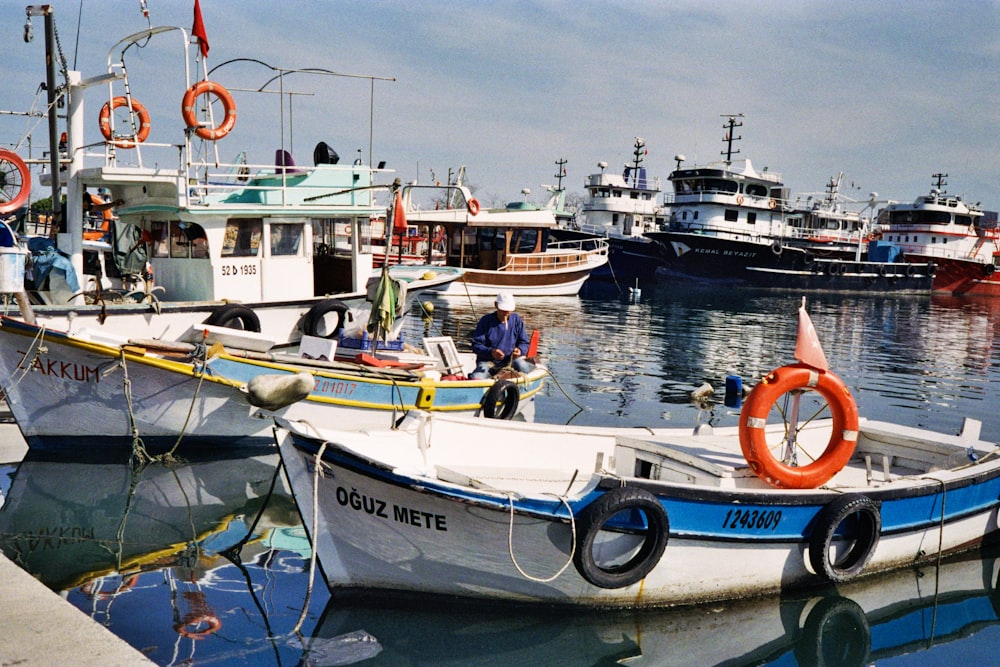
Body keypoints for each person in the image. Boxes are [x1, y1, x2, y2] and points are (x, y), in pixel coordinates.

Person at [470, 290, 534, 379]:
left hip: (509, 360)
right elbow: (476, 345)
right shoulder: (485, 321)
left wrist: (519, 350)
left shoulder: (516, 320)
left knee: (522, 366)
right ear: (496, 305)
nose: (506, 313)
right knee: (478, 377)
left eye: (509, 310)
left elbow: (524, 342)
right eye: (503, 310)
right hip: (488, 361)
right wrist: (491, 352)